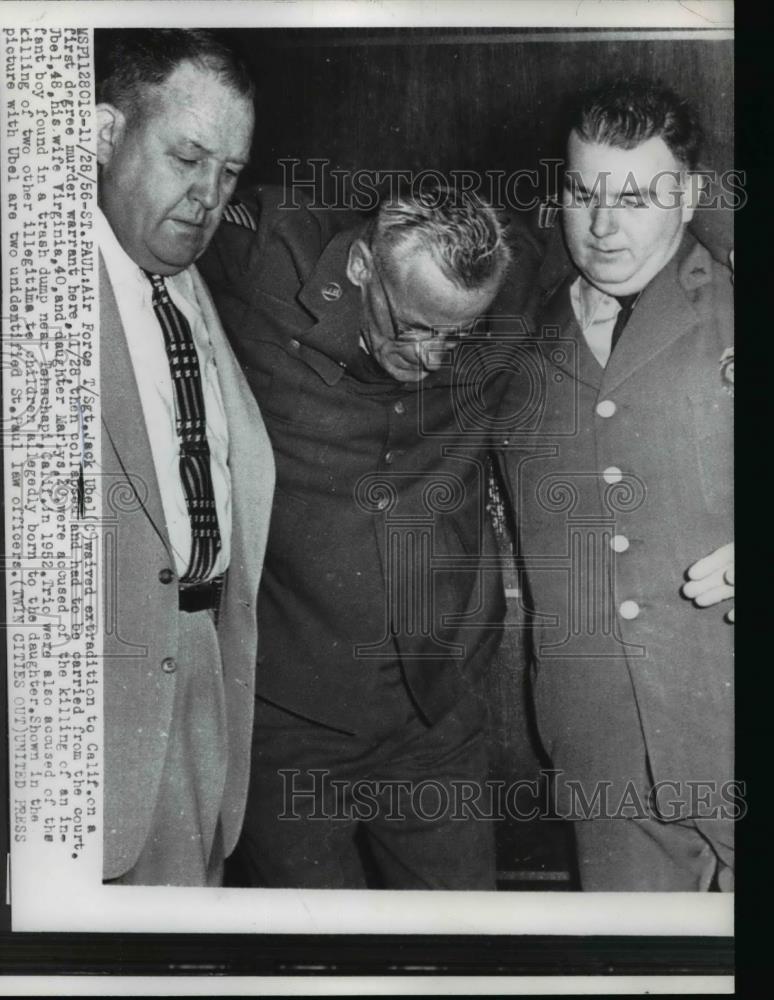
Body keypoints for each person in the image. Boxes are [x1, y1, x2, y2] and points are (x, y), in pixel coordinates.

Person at [198, 183, 514, 889]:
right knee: (318, 965)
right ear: (365, 265)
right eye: (413, 327)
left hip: (435, 717)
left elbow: (627, 231)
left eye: (458, 336)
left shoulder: (510, 275)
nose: (434, 357)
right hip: (289, 726)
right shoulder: (263, 263)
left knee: (471, 955)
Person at [497, 78, 734, 890]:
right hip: (602, 746)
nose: (601, 225)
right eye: (581, 192)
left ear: (689, 194)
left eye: (633, 197)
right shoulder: (512, 330)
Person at [94, 29, 274, 886]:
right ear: (103, 135)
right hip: (95, 717)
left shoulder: (195, 281)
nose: (209, 196)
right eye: (187, 157)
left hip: (205, 674)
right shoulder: (39, 290)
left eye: (229, 171)